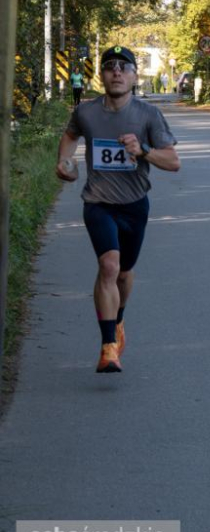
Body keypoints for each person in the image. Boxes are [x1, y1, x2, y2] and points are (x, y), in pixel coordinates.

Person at [54, 46, 180, 372]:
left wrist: (143, 151)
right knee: (109, 266)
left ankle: (118, 319)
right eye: (110, 66)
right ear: (102, 75)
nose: (117, 72)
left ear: (135, 76)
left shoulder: (148, 115)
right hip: (98, 203)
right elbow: (69, 137)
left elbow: (173, 161)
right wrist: (64, 162)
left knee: (124, 273)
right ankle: (108, 347)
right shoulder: (86, 112)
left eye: (124, 67)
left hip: (135, 205)